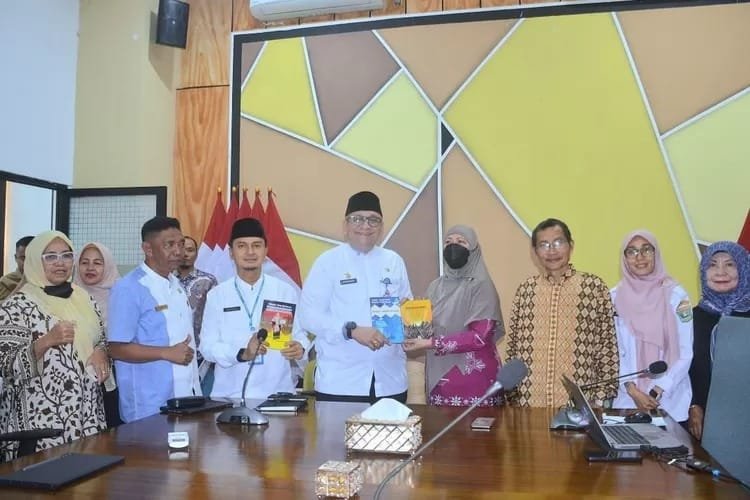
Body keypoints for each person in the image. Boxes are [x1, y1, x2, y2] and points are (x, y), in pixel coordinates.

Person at [0, 231, 110, 460]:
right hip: (40, 421)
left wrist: (101, 351)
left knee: (87, 476)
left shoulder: (84, 298)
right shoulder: (17, 306)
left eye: (66, 255)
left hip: (86, 414)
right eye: (50, 257)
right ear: (34, 261)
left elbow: (100, 337)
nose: (60, 263)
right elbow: (6, 366)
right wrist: (46, 341)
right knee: (45, 479)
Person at [298, 191, 412, 404]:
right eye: (358, 219)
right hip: (341, 382)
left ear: (381, 227)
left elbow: (406, 307)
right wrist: (351, 330)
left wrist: (411, 320)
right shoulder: (328, 262)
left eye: (373, 220)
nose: (365, 226)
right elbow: (308, 316)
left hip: (390, 381)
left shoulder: (394, 261)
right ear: (345, 225)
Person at [506, 218, 618, 408]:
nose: (552, 251)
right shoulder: (526, 290)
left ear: (571, 246)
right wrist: (512, 396)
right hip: (529, 405)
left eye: (558, 243)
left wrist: (600, 398)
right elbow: (513, 349)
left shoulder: (593, 287)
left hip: (579, 408)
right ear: (534, 252)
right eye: (544, 245)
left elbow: (607, 347)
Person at [199, 218, 309, 399]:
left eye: (256, 246)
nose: (250, 252)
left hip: (277, 395)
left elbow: (300, 336)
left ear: (265, 251)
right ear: (231, 252)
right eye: (241, 246)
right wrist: (243, 353)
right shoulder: (217, 295)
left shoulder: (283, 291)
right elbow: (207, 347)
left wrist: (300, 348)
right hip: (229, 396)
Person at [108, 216, 200, 423]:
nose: (178, 251)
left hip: (186, 398)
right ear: (148, 249)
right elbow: (116, 348)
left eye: (180, 244)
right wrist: (166, 353)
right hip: (149, 405)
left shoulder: (175, 284)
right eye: (169, 245)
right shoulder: (129, 288)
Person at [403, 225, 504, 406]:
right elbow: (425, 330)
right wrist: (408, 316)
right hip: (439, 379)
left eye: (461, 242)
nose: (453, 246)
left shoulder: (481, 285)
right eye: (448, 242)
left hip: (473, 380)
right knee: (440, 424)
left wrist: (432, 343)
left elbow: (480, 337)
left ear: (473, 250)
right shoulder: (435, 286)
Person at [610, 230, 693, 424]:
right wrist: (632, 390)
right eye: (632, 251)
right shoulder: (614, 298)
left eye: (646, 249)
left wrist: (657, 390)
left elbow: (685, 353)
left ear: (656, 254)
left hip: (670, 402)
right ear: (624, 258)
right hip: (628, 401)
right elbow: (613, 352)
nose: (639, 257)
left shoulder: (677, 296)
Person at [688, 241, 750, 440]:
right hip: (702, 420)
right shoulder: (692, 318)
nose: (720, 272)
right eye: (712, 265)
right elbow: (684, 368)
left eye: (730, 264)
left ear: (744, 269)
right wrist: (693, 404)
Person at [74, 241, 123, 427]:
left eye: (97, 263)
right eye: (84, 262)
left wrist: (103, 350)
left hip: (114, 376)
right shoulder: (68, 296)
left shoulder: (121, 295)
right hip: (76, 379)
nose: (90, 268)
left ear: (107, 265)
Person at [175, 236, 218, 352]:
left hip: (202, 348)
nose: (185, 254)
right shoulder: (166, 280)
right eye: (182, 249)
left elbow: (217, 316)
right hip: (171, 348)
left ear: (197, 253)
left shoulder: (208, 281)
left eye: (190, 250)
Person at [0, 235, 33, 301]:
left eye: (32, 257)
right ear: (16, 258)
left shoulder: (49, 280)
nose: (27, 262)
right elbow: (2, 307)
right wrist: (22, 283)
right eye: (23, 258)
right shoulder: (5, 281)